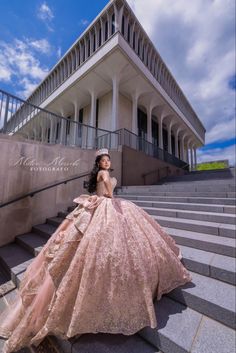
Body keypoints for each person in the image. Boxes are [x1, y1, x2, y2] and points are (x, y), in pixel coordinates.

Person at [0, 148, 192, 353]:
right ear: (99, 164)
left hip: (99, 206)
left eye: (108, 160)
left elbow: (102, 191)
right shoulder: (105, 174)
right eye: (104, 161)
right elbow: (108, 192)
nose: (107, 163)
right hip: (106, 206)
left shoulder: (101, 174)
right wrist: (110, 190)